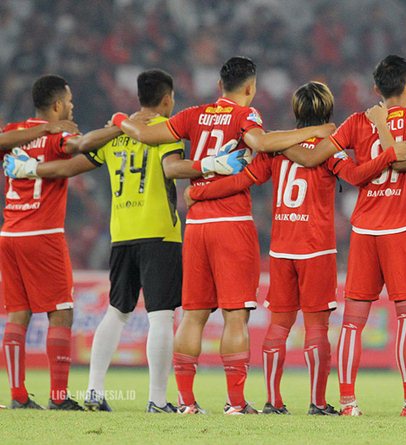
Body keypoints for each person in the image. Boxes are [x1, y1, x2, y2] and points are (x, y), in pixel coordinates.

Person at [112, 56, 336, 415]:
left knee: (193, 315)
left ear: (219, 86)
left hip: (197, 228)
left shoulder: (192, 115)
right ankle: (235, 403)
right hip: (232, 225)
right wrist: (314, 132)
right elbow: (261, 144)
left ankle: (186, 402)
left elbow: (146, 135)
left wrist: (121, 120)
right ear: (251, 87)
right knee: (235, 316)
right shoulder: (246, 116)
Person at [184, 81, 406, 415]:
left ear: (296, 112)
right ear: (327, 112)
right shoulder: (329, 150)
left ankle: (272, 401)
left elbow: (243, 179)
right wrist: (390, 155)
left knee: (278, 327)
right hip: (316, 249)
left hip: (281, 250)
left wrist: (199, 193)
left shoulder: (277, 149)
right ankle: (318, 402)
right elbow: (356, 176)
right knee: (317, 328)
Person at [4, 69, 203, 413]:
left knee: (116, 313)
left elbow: (69, 168)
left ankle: (94, 391)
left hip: (121, 235)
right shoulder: (165, 133)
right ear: (168, 100)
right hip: (158, 233)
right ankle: (157, 400)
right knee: (160, 316)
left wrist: (31, 170)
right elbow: (172, 169)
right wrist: (209, 166)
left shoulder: (115, 138)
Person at [306, 55, 406, 416]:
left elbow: (318, 154)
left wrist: (351, 171)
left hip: (364, 230)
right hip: (401, 230)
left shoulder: (355, 121)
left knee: (352, 322)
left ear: (376, 89)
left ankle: (348, 402)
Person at [0, 75, 116, 410]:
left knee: (18, 315)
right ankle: (59, 397)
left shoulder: (16, 133)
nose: (72, 106)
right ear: (56, 105)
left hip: (10, 233)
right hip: (43, 234)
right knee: (61, 312)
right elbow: (78, 147)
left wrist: (38, 135)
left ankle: (19, 395)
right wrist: (116, 130)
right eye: (69, 101)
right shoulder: (58, 133)